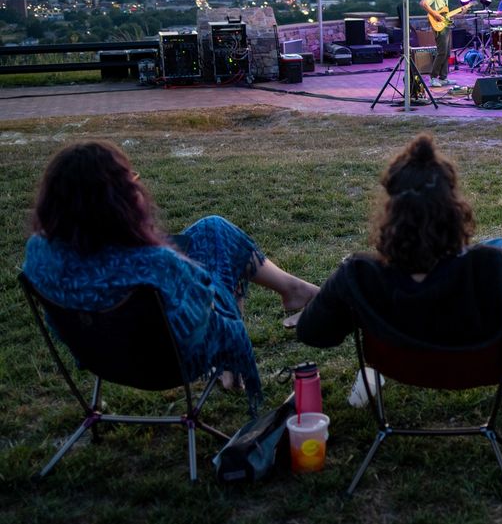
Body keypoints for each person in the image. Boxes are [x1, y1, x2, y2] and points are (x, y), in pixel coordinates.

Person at [295, 134, 502, 418]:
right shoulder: (492, 268)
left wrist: (363, 312)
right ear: (454, 209)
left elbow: (313, 333)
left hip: (399, 365)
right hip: (483, 368)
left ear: (390, 213)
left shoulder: (359, 275)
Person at [22, 141, 319, 411]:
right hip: (171, 363)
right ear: (117, 201)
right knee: (220, 248)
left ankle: (293, 289)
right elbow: (204, 309)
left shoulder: (39, 254)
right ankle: (235, 361)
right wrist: (178, 261)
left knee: (212, 227)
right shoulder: (154, 264)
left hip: (98, 356)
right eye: (131, 182)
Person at [420, 0, 454, 87]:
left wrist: (462, 12)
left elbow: (445, 15)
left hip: (445, 25)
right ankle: (433, 77)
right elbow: (423, 3)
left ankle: (443, 78)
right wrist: (435, 14)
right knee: (442, 52)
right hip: (439, 27)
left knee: (447, 53)